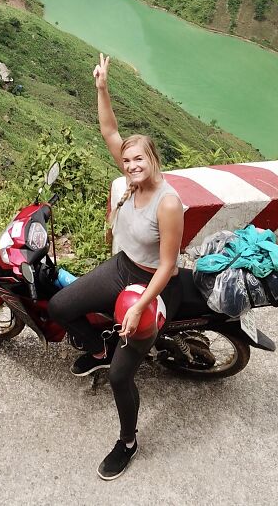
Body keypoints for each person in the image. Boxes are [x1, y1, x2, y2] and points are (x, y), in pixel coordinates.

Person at [49, 54, 184, 481]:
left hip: (150, 285)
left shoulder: (167, 203)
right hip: (121, 267)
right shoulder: (130, 183)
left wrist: (140, 305)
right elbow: (109, 130)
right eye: (127, 161)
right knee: (60, 306)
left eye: (139, 160)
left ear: (154, 160)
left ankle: (128, 441)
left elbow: (167, 266)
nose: (131, 166)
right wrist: (102, 86)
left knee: (121, 378)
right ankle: (97, 349)